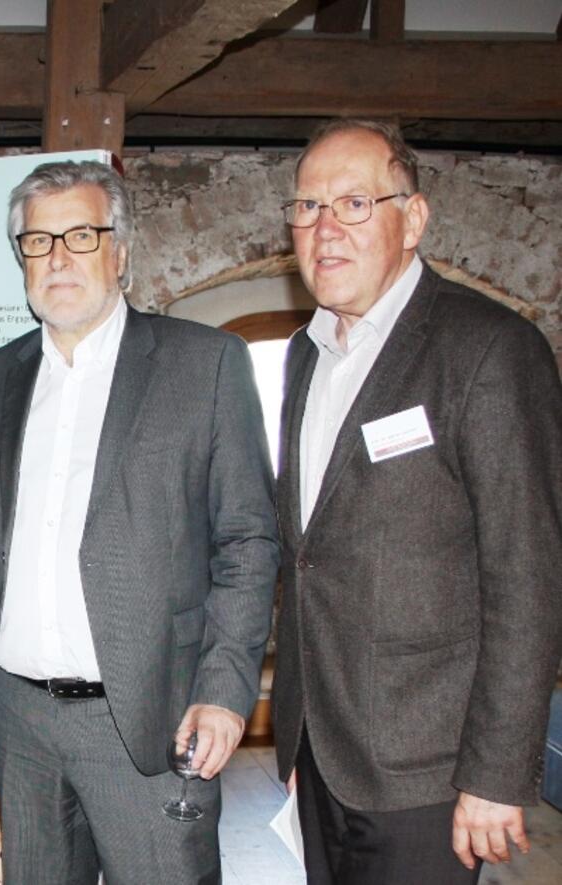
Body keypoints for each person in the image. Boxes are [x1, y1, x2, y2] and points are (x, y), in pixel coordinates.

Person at [0, 160, 279, 885]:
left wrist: (224, 691)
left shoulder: (205, 365)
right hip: (21, 722)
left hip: (151, 724)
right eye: (38, 241)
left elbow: (248, 542)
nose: (58, 256)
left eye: (81, 235)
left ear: (121, 252)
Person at [273, 118, 562, 884]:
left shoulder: (489, 350)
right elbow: (309, 554)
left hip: (431, 769)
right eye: (306, 208)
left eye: (355, 203)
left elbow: (527, 579)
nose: (324, 228)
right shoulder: (307, 354)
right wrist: (304, 737)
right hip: (326, 751)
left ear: (416, 218)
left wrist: (497, 774)